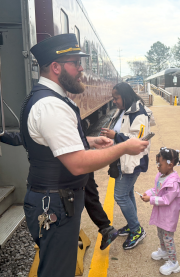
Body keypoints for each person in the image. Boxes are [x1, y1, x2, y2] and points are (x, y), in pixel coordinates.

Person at [22, 34, 149, 277]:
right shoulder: (52, 105)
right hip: (55, 203)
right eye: (75, 63)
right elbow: (78, 164)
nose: (82, 69)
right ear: (56, 67)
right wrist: (123, 147)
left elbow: (50, 143)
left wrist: (88, 140)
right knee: (58, 271)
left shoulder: (44, 98)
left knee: (58, 266)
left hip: (55, 200)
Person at [0, 132, 118, 251]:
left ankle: (83, 236)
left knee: (71, 206)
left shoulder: (46, 125)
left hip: (69, 168)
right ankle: (104, 228)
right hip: (80, 162)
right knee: (87, 196)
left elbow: (21, 137)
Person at [101, 82, 153, 249]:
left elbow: (138, 140)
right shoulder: (125, 110)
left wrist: (115, 135)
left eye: (116, 98)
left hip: (132, 161)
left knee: (120, 196)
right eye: (113, 98)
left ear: (125, 96)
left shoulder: (139, 113)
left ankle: (137, 230)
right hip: (123, 159)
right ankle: (133, 226)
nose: (114, 101)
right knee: (128, 193)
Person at [141, 147, 180, 276]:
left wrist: (151, 199)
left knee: (168, 238)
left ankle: (173, 262)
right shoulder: (161, 176)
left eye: (159, 164)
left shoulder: (173, 183)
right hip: (161, 214)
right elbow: (157, 190)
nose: (157, 166)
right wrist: (148, 193)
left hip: (168, 215)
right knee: (161, 234)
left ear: (170, 164)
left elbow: (166, 200)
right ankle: (164, 251)